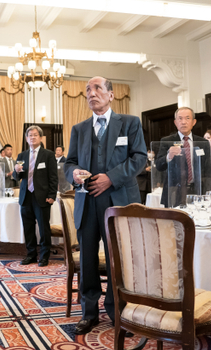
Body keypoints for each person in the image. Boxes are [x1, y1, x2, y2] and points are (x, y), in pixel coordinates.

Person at [64, 77, 147, 335]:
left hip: (119, 202)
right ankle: (89, 313)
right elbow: (68, 163)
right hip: (87, 203)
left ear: (111, 95)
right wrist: (74, 173)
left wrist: (111, 177)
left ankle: (117, 311)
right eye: (88, 90)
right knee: (88, 260)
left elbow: (140, 158)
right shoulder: (79, 129)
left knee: (117, 259)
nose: (91, 93)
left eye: (98, 88)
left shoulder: (130, 123)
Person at [13, 126, 58, 267]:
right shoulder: (22, 155)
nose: (32, 137)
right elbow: (17, 177)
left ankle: (44, 256)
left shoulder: (48, 155)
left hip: (43, 197)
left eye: (35, 135)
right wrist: (16, 171)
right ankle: (31, 255)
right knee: (28, 228)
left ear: (40, 138)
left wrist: (52, 195)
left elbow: (53, 177)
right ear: (26, 139)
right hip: (26, 196)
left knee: (44, 228)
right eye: (30, 135)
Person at [154, 107, 211, 207]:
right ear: (175, 122)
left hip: (198, 189)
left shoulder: (203, 143)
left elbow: (207, 168)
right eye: (180, 119)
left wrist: (208, 190)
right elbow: (158, 165)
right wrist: (168, 156)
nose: (183, 122)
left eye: (187, 118)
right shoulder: (167, 141)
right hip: (175, 191)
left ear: (194, 122)